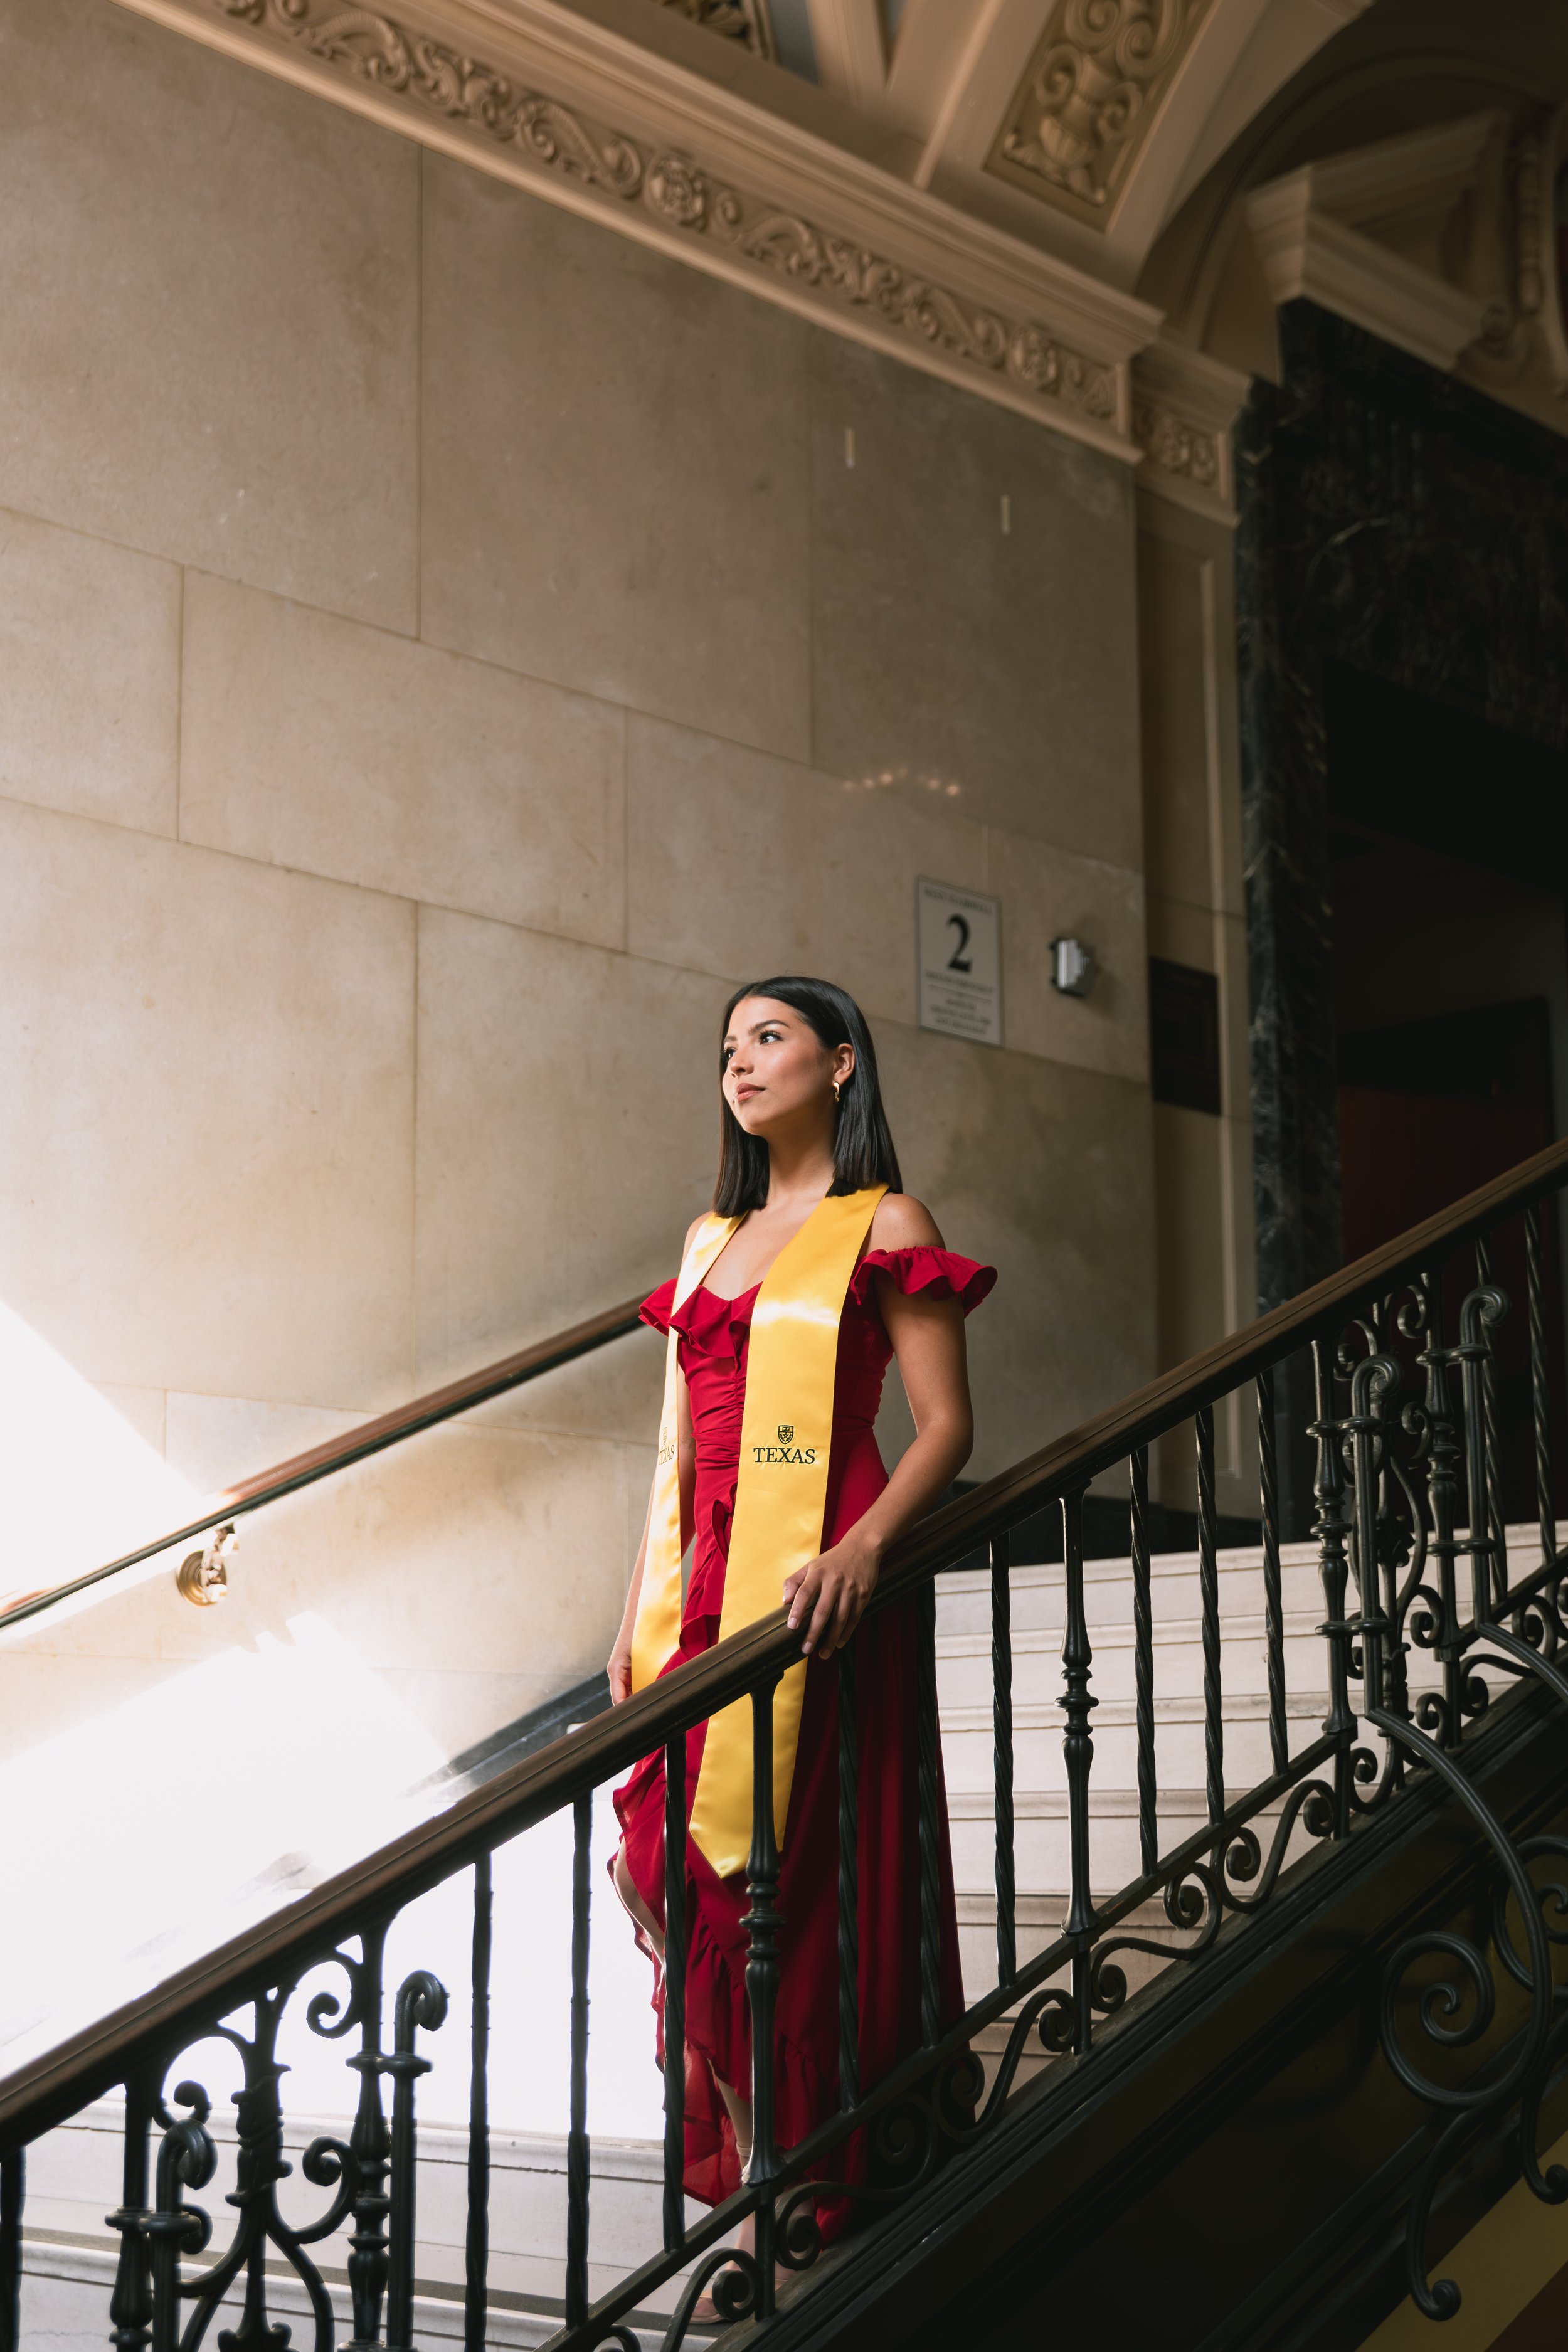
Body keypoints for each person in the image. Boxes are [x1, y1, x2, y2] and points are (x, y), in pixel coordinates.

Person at [607, 975, 994, 2265]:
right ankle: (775, 2144)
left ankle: (798, 2163)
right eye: (726, 1046)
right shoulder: (704, 1237)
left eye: (768, 1038)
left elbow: (944, 1426)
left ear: (839, 1065)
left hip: (820, 1571)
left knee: (796, 1887)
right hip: (699, 1581)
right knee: (657, 1863)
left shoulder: (882, 1220)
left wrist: (859, 1551)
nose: (741, 1062)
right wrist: (628, 1617)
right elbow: (671, 1453)